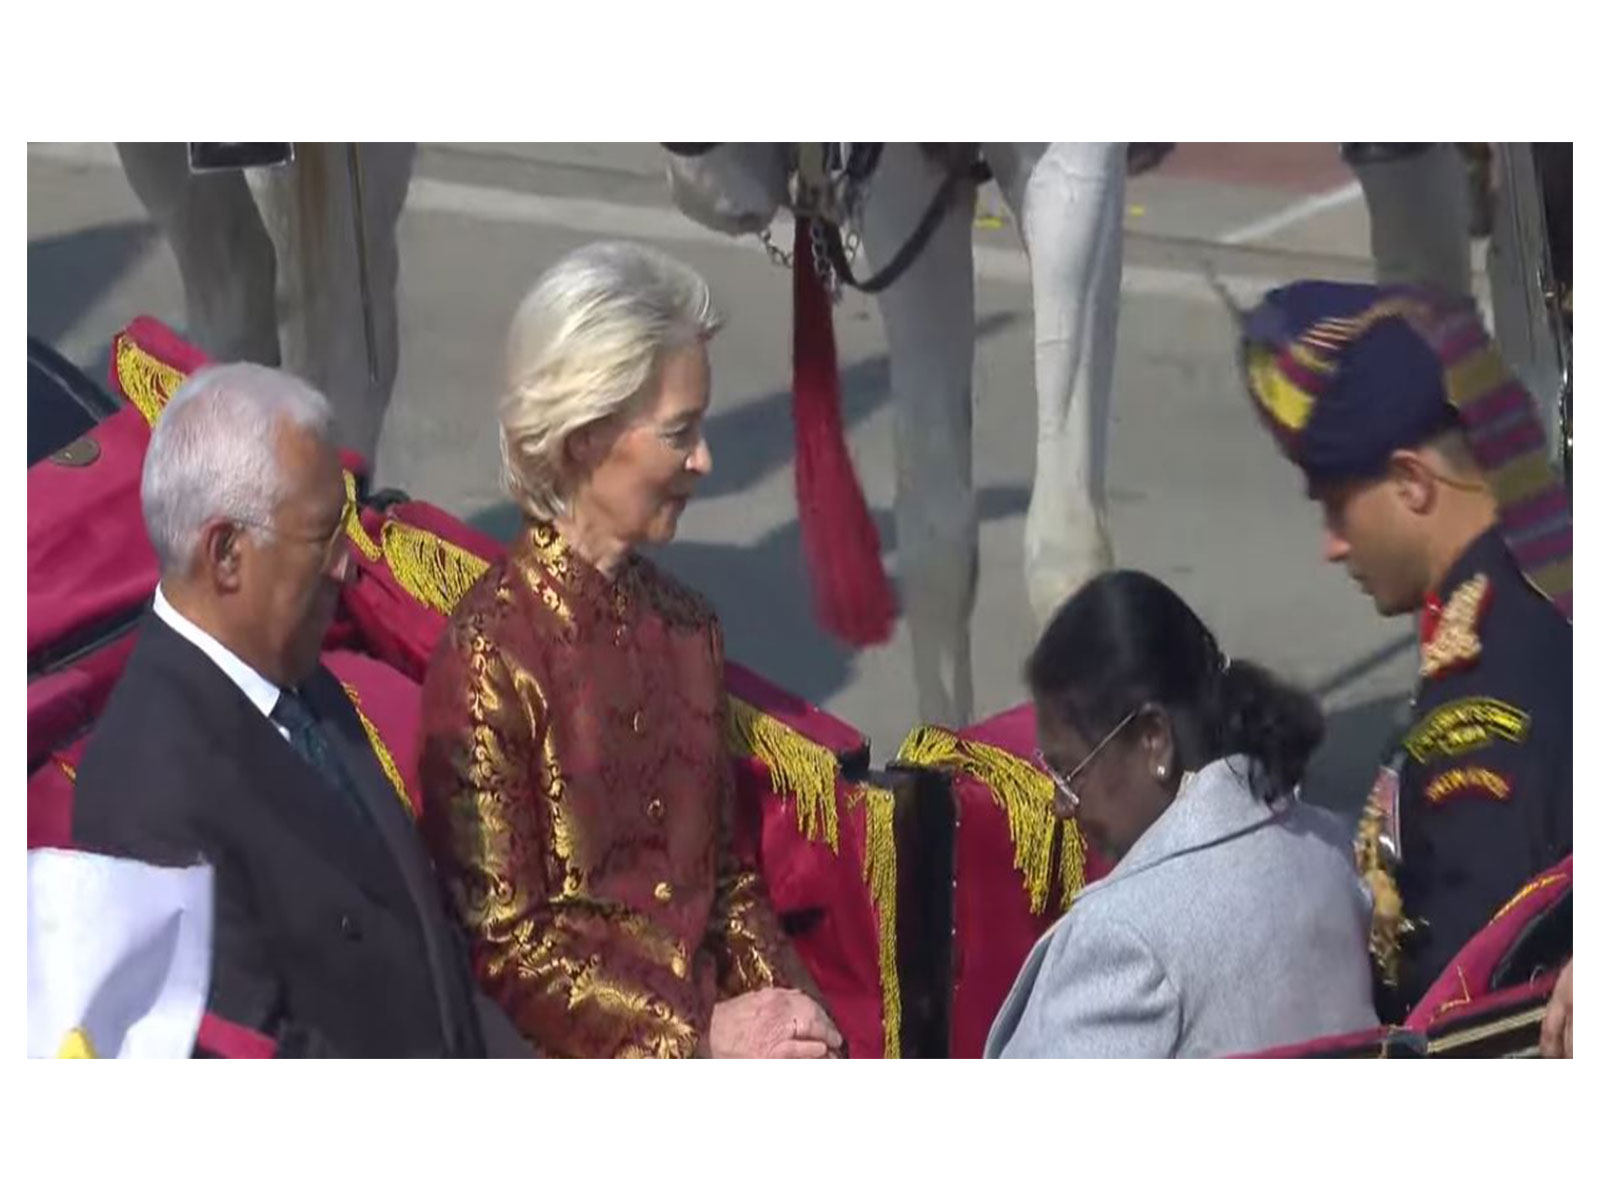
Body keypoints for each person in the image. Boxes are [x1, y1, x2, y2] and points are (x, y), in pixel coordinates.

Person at [418, 241, 842, 1058]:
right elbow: (504, 948)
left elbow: (728, 885)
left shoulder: (688, 627)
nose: (705, 459)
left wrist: (799, 1021)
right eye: (679, 432)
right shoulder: (490, 660)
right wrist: (700, 1036)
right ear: (584, 439)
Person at [73, 363, 532, 1057]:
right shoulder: (147, 801)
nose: (347, 564)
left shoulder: (292, 675)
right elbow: (261, 1059)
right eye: (322, 536)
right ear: (227, 553)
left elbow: (425, 945)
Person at [1238, 279, 1572, 1021]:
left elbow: (1469, 1011)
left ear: (1412, 484)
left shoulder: (1482, 711)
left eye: (1335, 503)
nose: (1331, 545)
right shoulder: (1527, 587)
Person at [985, 570, 1377, 1057]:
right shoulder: (1329, 849)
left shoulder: (1122, 939)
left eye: (1070, 771)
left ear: (1154, 740)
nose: (1061, 805)